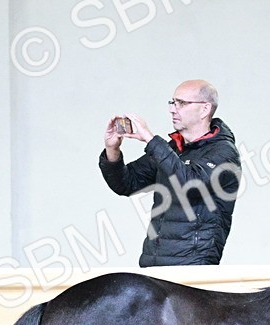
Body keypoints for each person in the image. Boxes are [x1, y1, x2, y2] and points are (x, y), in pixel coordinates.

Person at [99, 80, 241, 267]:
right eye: (172, 102)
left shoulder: (223, 152)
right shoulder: (174, 149)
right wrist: (112, 150)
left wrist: (150, 139)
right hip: (154, 264)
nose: (173, 109)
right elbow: (126, 184)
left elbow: (190, 185)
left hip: (193, 268)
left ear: (205, 109)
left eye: (181, 103)